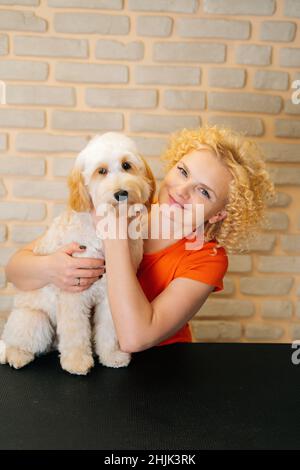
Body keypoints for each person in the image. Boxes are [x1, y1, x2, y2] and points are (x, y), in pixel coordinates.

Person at [5, 125, 275, 353]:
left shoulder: (206, 258)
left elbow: (135, 338)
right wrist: (51, 268)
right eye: (182, 172)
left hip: (157, 370)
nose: (181, 191)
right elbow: (15, 271)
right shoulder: (122, 203)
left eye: (203, 192)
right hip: (95, 358)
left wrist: (115, 238)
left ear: (218, 215)